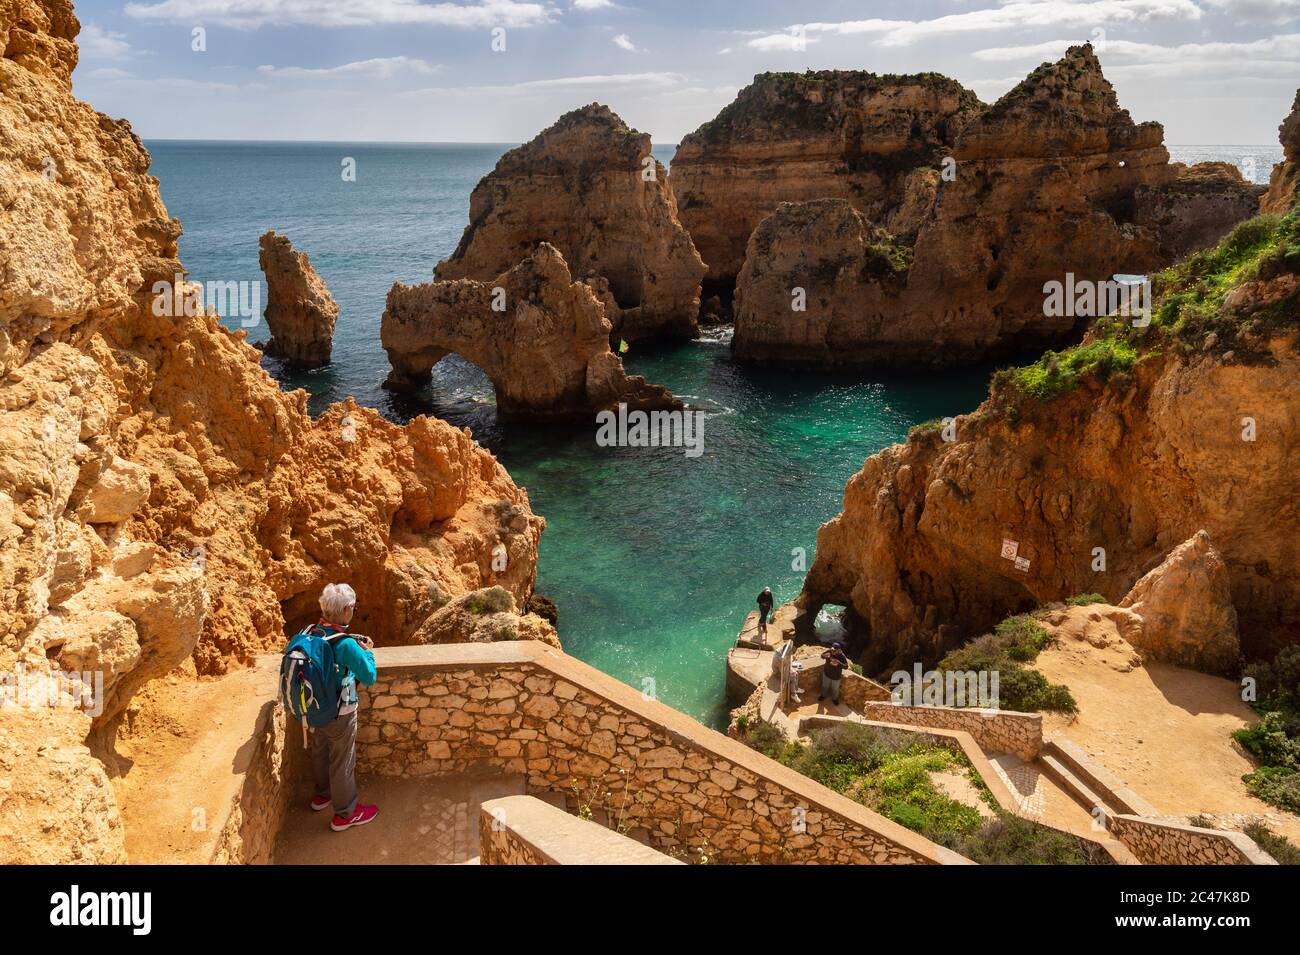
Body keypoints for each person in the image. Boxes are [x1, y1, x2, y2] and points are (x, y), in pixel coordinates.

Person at [309, 583, 380, 832]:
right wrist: (368, 652)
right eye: (353, 607)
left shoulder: (311, 632)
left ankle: (321, 796)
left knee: (320, 752)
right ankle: (345, 814)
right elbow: (369, 676)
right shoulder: (346, 645)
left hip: (315, 707)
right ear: (348, 609)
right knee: (342, 761)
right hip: (341, 711)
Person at [820, 641, 849, 706]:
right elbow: (821, 656)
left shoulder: (842, 656)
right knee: (825, 686)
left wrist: (838, 663)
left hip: (836, 676)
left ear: (838, 650)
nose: (832, 652)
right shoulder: (829, 651)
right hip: (827, 673)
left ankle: (835, 699)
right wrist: (824, 656)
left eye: (834, 651)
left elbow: (846, 666)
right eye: (832, 650)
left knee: (835, 689)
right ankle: (823, 696)